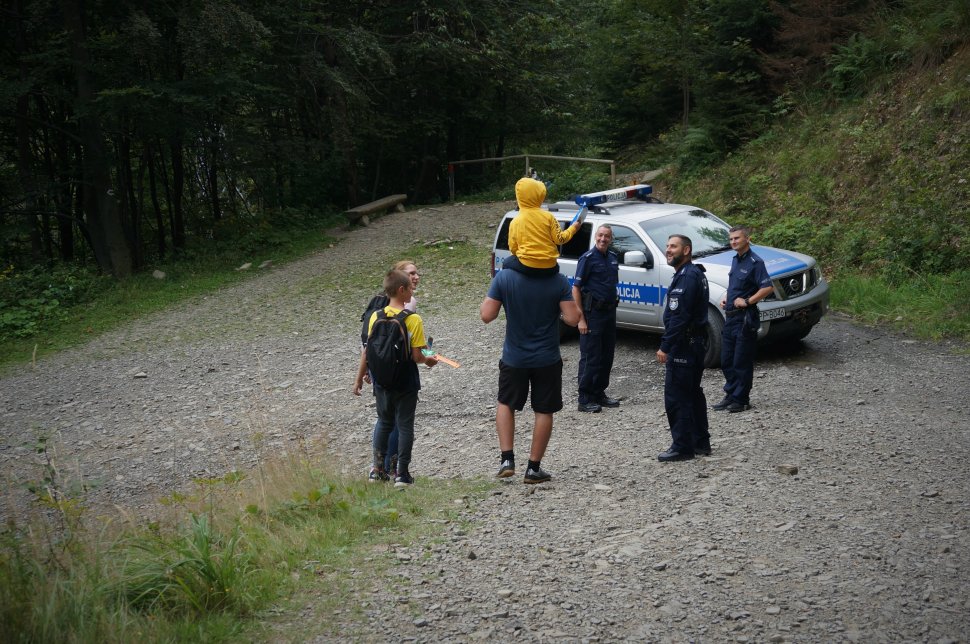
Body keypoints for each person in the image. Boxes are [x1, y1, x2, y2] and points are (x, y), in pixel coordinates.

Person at [480, 262, 580, 483]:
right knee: (544, 410)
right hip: (547, 359)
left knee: (506, 403)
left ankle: (507, 460)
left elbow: (486, 315)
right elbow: (573, 319)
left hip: (514, 358)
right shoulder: (558, 280)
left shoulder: (504, 277)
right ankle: (533, 469)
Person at [352, 269, 437, 487]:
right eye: (409, 287)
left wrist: (359, 378)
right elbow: (417, 355)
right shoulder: (413, 319)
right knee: (405, 424)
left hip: (381, 380)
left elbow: (367, 351)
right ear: (401, 290)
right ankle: (402, 474)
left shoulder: (375, 316)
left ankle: (377, 470)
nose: (412, 290)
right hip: (405, 380)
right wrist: (430, 360)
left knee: (384, 421)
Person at [656, 234, 711, 462]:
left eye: (673, 246)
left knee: (677, 396)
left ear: (686, 250)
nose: (668, 250)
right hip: (694, 343)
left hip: (684, 346)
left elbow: (679, 317)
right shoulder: (691, 273)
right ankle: (700, 442)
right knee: (692, 393)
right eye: (667, 246)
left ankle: (682, 447)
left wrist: (665, 346)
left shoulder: (687, 276)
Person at [714, 225, 775, 413]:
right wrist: (728, 299)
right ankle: (731, 394)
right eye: (731, 239)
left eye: (737, 238)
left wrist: (748, 301)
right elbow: (736, 286)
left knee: (741, 361)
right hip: (731, 317)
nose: (733, 242)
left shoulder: (755, 262)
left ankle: (742, 399)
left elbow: (767, 287)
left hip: (745, 319)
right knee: (727, 360)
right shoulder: (735, 260)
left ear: (747, 239)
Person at [573, 224, 621, 413]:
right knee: (590, 356)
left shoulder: (613, 258)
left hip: (609, 314)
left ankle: (599, 393)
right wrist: (580, 319)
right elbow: (575, 289)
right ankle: (584, 398)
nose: (603, 239)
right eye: (600, 235)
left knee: (607, 355)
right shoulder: (587, 259)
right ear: (595, 237)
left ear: (611, 239)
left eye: (607, 236)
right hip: (592, 314)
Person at [504, 176, 582, 277]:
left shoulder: (515, 222)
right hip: (550, 267)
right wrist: (574, 228)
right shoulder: (548, 217)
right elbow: (560, 239)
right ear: (540, 196)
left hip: (526, 266)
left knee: (507, 262)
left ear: (519, 197)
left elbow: (513, 249)